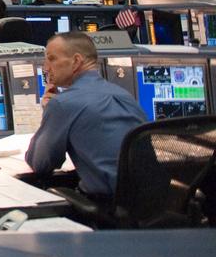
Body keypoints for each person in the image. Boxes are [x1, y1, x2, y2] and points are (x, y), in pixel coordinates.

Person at [25, 32, 147, 201]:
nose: (46, 67)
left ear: (76, 61)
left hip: (106, 209)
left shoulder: (63, 104)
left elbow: (40, 164)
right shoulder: (124, 96)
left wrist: (48, 112)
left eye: (51, 59)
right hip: (151, 205)